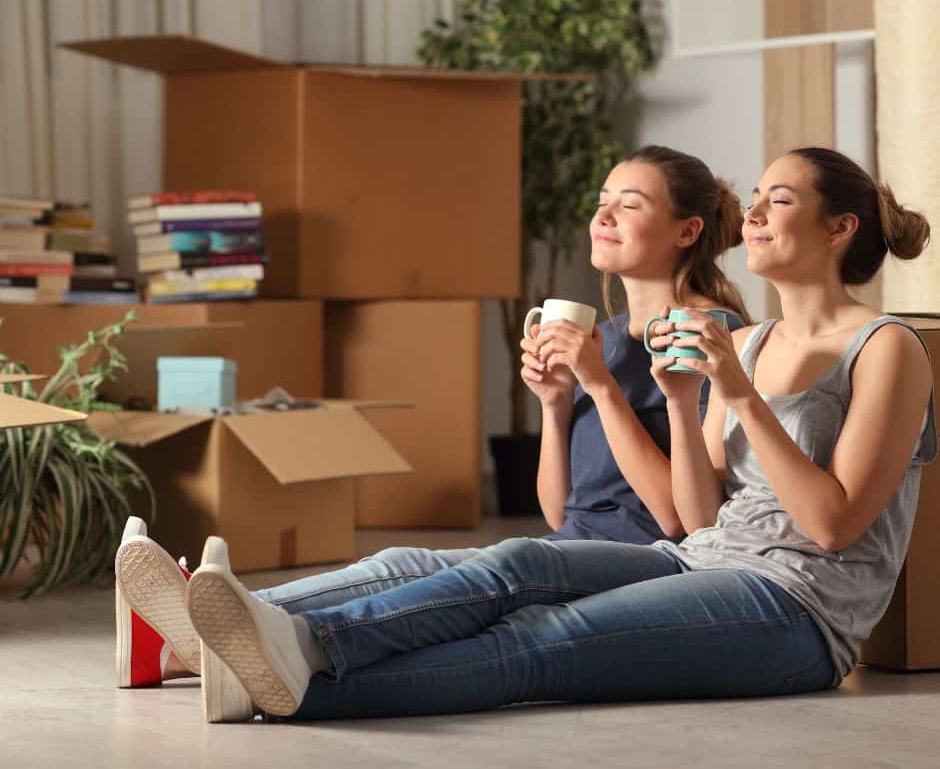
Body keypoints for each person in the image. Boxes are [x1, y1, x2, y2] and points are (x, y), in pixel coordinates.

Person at [181, 146, 935, 722]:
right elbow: (701, 520)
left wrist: (736, 395)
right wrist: (682, 402)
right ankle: (289, 638)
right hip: (695, 561)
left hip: (799, 611)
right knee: (517, 562)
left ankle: (294, 678)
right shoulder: (747, 343)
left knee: (542, 640)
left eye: (781, 200)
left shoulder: (887, 349)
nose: (757, 213)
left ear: (839, 228)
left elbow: (833, 525)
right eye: (759, 198)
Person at [116, 145, 749, 717]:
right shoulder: (601, 339)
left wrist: (600, 386)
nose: (603, 217)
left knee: (507, 563)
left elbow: (681, 521)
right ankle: (199, 627)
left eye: (629, 205)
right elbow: (562, 514)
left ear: (687, 230)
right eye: (602, 201)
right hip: (575, 547)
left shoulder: (711, 337)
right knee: (406, 562)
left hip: (652, 562)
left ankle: (239, 634)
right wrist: (555, 406)